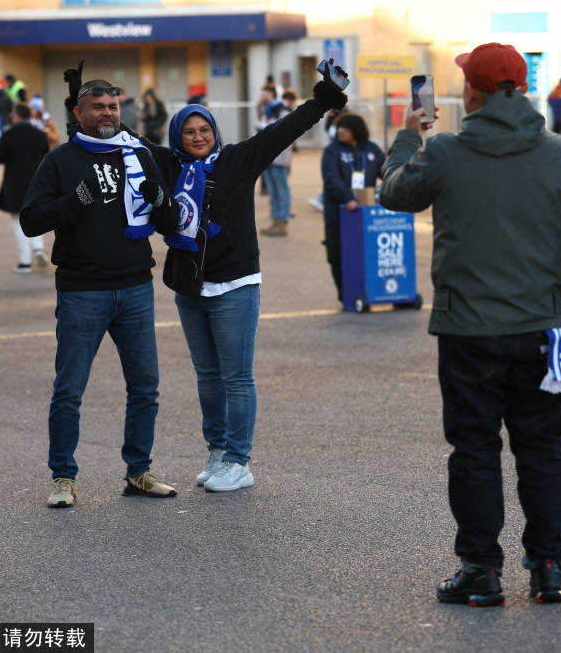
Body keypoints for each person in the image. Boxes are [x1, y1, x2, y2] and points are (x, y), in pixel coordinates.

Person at [378, 43, 561, 606]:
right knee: (543, 449)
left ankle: (481, 570)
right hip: (543, 327)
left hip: (468, 332)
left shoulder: (446, 152)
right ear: (522, 88)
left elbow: (393, 192)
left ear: (472, 92)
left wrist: (410, 135)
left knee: (475, 451)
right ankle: (549, 566)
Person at [147, 75, 347, 493]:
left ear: (214, 131)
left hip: (235, 285)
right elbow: (128, 142)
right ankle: (218, 451)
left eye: (204, 129)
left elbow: (282, 131)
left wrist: (319, 103)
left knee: (236, 377)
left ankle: (239, 461)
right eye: (189, 131)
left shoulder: (237, 159)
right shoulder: (169, 165)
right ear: (177, 136)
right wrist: (86, 114)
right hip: (191, 288)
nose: (198, 137)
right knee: (207, 376)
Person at [19, 78, 182, 507]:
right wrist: (70, 202)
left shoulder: (138, 154)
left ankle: (138, 472)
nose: (108, 113)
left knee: (145, 387)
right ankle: (63, 478)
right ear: (79, 112)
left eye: (113, 106)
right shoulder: (59, 161)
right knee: (69, 390)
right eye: (98, 107)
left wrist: (161, 200)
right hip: (82, 291)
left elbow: (168, 223)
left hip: (135, 287)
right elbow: (30, 221)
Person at [319, 113, 385, 301]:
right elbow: (331, 179)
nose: (340, 131)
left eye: (345, 128)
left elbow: (387, 173)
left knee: (366, 254)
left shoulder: (372, 150)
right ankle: (345, 294)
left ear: (356, 130)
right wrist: (348, 199)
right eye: (339, 127)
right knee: (337, 255)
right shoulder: (332, 151)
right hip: (338, 213)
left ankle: (369, 291)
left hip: (366, 215)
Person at [0, 104, 51, 273]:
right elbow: (46, 155)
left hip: (14, 184)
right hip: (37, 182)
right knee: (36, 216)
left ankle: (25, 262)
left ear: (17, 116)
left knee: (18, 221)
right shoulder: (41, 135)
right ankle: (38, 247)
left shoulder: (8, 135)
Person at [258, 88, 298, 236]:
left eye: (264, 94)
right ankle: (276, 221)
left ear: (271, 95)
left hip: (278, 156)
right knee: (273, 191)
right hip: (267, 156)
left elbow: (283, 132)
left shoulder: (282, 110)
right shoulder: (267, 110)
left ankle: (282, 221)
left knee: (281, 190)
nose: (261, 96)